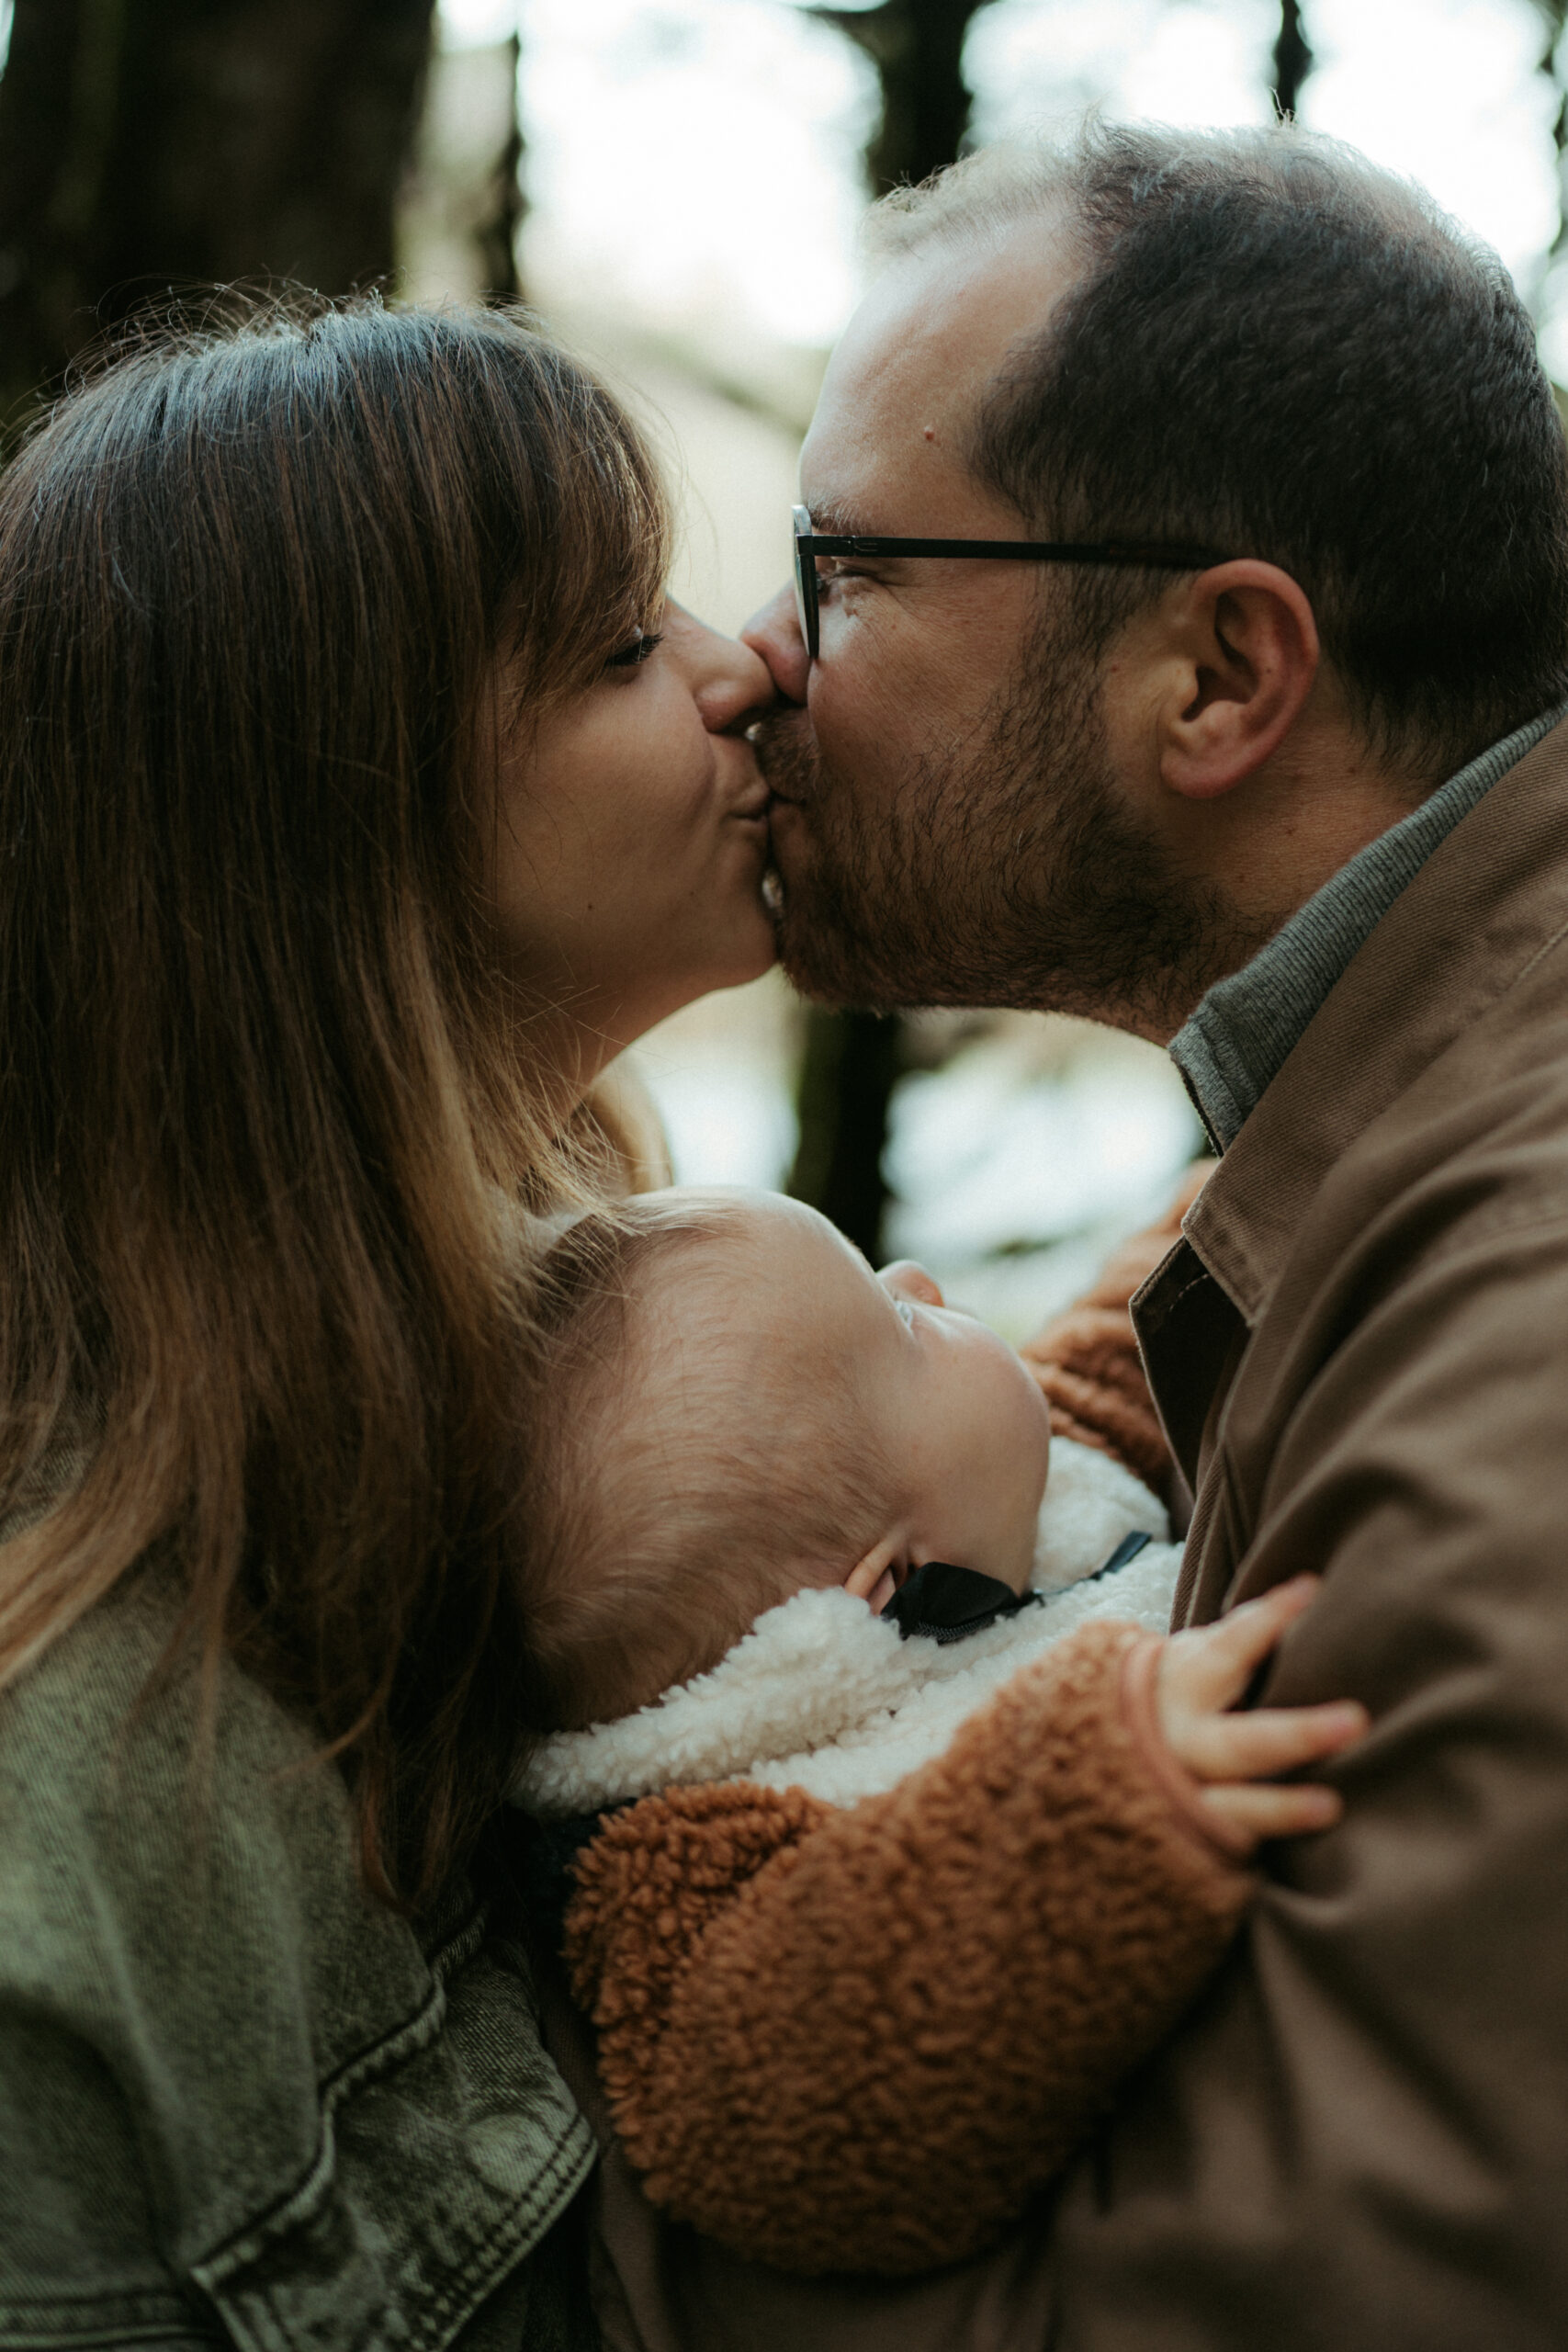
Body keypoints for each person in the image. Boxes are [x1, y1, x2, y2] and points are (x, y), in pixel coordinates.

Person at [612, 118, 1568, 2349]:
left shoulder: (1516, 1287)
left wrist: (518, 2194)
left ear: (1216, 676)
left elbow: (1318, 2298)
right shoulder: (1372, 1126)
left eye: (846, 567)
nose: (757, 657)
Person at [0, 295, 787, 2347]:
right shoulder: (60, 1846)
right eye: (615, 646)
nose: (744, 666)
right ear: (337, 827)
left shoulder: (585, 1402)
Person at [503, 1186, 1364, 2276]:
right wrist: (1094, 1804)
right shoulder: (727, 1856)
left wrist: (1226, 1207)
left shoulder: (998, 1503)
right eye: (902, 1325)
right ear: (891, 1583)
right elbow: (792, 2091)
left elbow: (1112, 1356)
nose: (916, 1279)